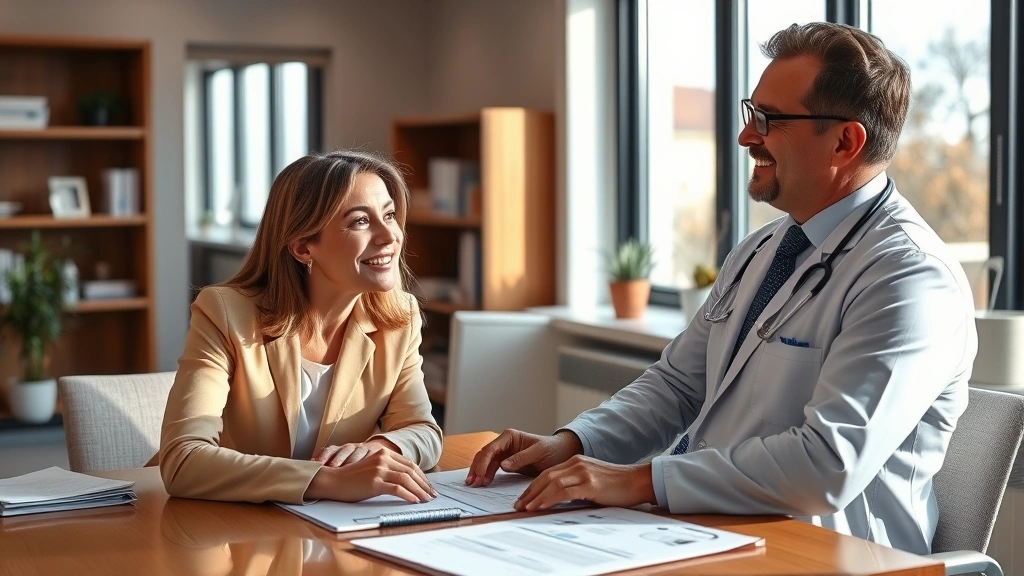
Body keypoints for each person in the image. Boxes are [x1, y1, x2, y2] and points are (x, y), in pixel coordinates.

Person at [468, 22, 978, 555]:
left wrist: (640, 481)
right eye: (749, 113)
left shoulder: (910, 279)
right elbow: (677, 386)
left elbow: (828, 464)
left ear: (846, 142)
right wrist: (572, 444)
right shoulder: (763, 249)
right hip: (716, 528)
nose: (745, 136)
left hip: (829, 553)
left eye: (769, 120)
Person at [159, 149, 442, 505]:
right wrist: (325, 480)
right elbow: (182, 460)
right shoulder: (226, 313)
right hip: (228, 530)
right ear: (303, 248)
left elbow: (424, 433)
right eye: (359, 221)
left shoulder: (399, 316)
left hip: (328, 531)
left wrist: (378, 449)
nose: (390, 236)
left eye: (389, 215)